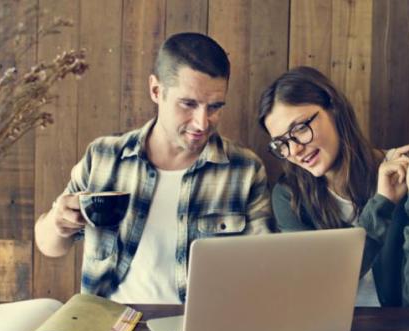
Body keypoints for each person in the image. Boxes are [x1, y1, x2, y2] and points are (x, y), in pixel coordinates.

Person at [35, 33, 272, 303]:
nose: (202, 123)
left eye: (215, 107)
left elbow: (264, 270)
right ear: (156, 91)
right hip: (108, 328)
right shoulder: (104, 157)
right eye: (188, 104)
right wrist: (58, 223)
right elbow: (49, 246)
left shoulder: (245, 170)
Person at [257, 66, 409, 320]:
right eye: (281, 143)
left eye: (300, 130)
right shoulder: (289, 196)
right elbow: (318, 291)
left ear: (335, 109)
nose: (294, 151)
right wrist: (382, 205)